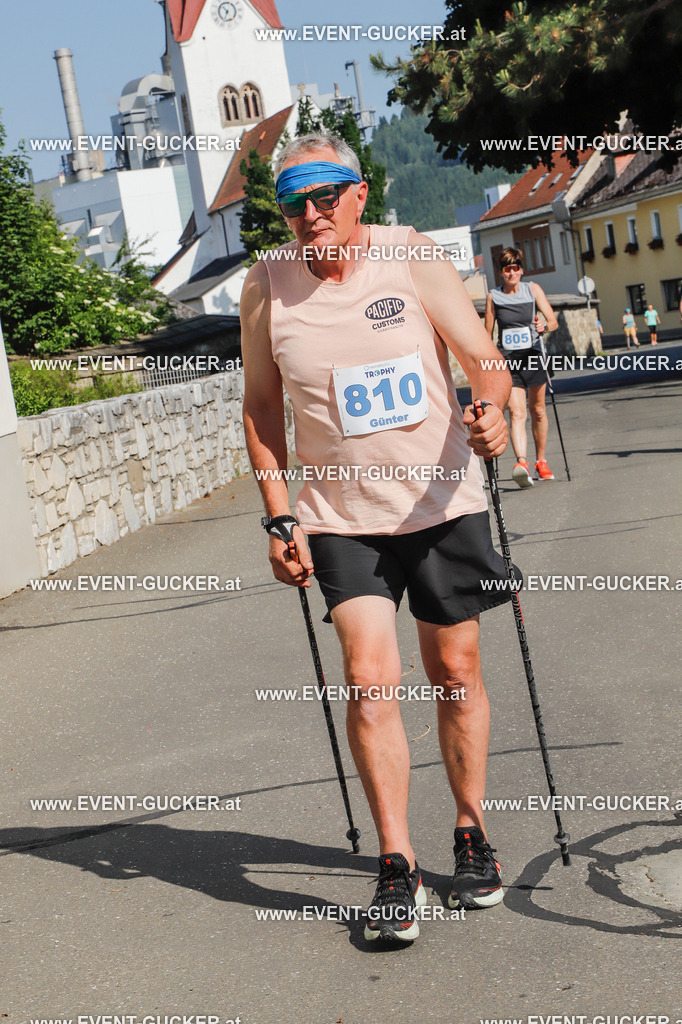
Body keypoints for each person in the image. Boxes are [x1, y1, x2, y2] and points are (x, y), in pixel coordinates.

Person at [241, 132, 518, 944]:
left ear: (360, 192)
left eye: (325, 194)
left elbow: (482, 358)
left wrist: (492, 407)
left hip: (438, 499)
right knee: (370, 676)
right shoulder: (266, 284)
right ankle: (397, 865)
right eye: (293, 200)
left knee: (455, 668)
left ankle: (470, 831)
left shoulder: (412, 255)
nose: (310, 213)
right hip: (338, 513)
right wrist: (277, 510)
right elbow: (262, 407)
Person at [484, 248, 559, 488]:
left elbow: (553, 321)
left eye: (516, 267)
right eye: (507, 268)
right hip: (509, 362)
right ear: (501, 272)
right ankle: (522, 464)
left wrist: (543, 327)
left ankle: (541, 460)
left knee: (537, 410)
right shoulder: (493, 296)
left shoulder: (532, 290)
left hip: (534, 356)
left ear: (521, 269)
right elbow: (487, 334)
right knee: (517, 413)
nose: (512, 272)